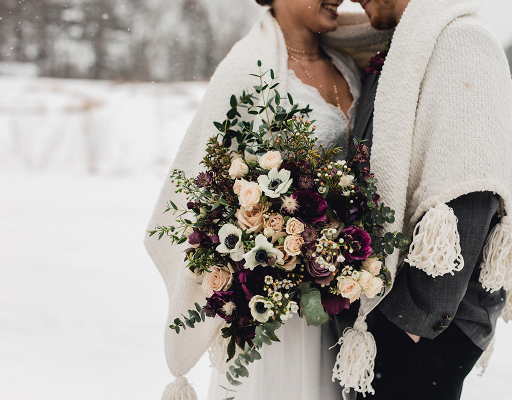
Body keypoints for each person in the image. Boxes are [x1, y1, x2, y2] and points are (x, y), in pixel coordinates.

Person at [144, 2, 387, 400]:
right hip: (270, 301)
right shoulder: (246, 71)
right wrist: (268, 240)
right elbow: (204, 187)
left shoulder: (348, 64)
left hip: (337, 294)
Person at [327, 0, 512, 399]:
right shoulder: (409, 45)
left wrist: (408, 324)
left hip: (423, 324)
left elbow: (470, 188)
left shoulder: (464, 43)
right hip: (395, 316)